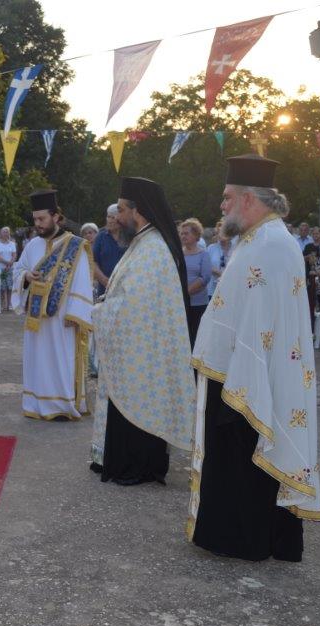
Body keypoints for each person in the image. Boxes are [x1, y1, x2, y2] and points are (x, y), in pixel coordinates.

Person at [189, 154, 320, 562]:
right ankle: (239, 532)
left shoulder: (271, 244)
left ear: (249, 199)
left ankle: (241, 537)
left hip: (250, 377)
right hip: (239, 371)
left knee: (242, 456)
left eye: (228, 197)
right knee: (234, 458)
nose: (222, 205)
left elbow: (258, 322)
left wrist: (240, 375)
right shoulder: (260, 238)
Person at [90, 177, 194, 484]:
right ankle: (119, 460)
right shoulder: (143, 243)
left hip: (143, 351)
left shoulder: (153, 249)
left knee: (136, 406)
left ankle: (137, 466)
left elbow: (135, 304)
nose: (117, 217)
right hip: (137, 348)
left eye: (122, 210)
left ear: (139, 211)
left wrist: (102, 311)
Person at [11, 190, 93, 421]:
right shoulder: (32, 245)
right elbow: (17, 270)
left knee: (60, 359)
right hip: (36, 318)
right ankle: (36, 403)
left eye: (42, 219)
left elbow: (82, 280)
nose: (37, 224)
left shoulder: (75, 246)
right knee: (38, 360)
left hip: (61, 318)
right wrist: (26, 276)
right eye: (34, 219)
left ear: (56, 216)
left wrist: (75, 314)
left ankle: (61, 404)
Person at [179, 218, 212, 346]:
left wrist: (186, 293)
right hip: (180, 304)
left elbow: (205, 277)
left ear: (196, 235)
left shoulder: (203, 254)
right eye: (182, 233)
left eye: (186, 233)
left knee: (196, 336)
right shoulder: (178, 254)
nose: (183, 236)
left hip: (198, 303)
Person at [91, 204, 129, 297]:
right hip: (105, 290)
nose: (110, 221)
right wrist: (105, 281)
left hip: (127, 288)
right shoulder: (100, 237)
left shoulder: (129, 236)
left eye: (113, 217)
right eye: (108, 217)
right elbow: (92, 262)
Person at [205, 220, 234, 300]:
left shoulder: (236, 248)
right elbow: (207, 265)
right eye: (218, 232)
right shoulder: (211, 248)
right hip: (213, 290)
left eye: (223, 232)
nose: (220, 235)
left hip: (231, 288)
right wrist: (221, 273)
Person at [0, 227, 17, 312]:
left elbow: (14, 255)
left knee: (10, 287)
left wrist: (10, 263)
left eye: (7, 232)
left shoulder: (12, 244)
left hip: (10, 268)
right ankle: (4, 303)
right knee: (2, 287)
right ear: (0, 233)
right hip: (0, 268)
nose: (6, 233)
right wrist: (7, 263)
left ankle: (9, 304)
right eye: (4, 232)